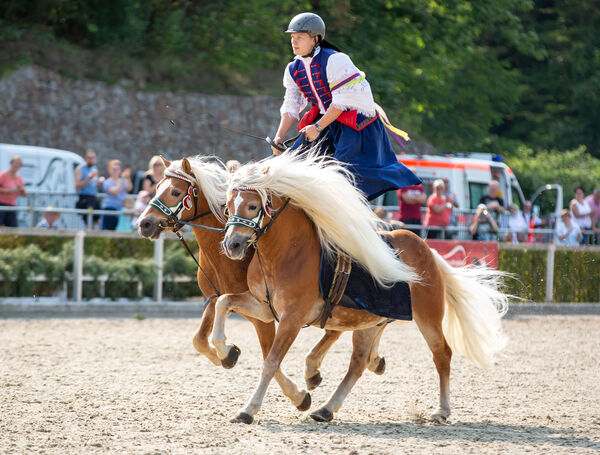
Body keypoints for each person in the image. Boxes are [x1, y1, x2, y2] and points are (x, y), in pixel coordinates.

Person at [271, 12, 421, 201]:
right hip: (327, 122)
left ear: (315, 39)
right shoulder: (292, 68)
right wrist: (278, 138)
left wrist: (317, 127)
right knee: (291, 163)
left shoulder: (335, 59)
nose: (294, 42)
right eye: (292, 37)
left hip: (355, 124)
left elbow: (341, 103)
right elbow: (291, 105)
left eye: (299, 37)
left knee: (341, 178)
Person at [74, 149, 102, 226]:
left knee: (97, 219)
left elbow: (96, 187)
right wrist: (88, 178)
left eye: (93, 158)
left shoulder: (94, 169)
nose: (91, 160)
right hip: (85, 198)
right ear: (86, 158)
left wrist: (100, 184)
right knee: (88, 220)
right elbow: (77, 186)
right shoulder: (80, 169)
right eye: (89, 158)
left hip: (94, 197)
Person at [101, 160, 132, 230]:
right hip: (110, 209)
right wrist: (122, 179)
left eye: (117, 169)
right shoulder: (107, 182)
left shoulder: (123, 180)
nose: (115, 171)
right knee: (108, 231)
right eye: (113, 169)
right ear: (109, 170)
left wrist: (128, 177)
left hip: (122, 210)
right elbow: (115, 192)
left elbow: (129, 188)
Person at [0, 155, 27, 227]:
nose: (16, 165)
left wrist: (22, 190)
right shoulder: (3, 175)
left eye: (18, 164)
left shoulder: (19, 178)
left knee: (13, 227)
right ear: (11, 163)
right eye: (15, 163)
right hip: (1, 205)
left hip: (11, 205)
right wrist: (8, 191)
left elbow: (25, 194)